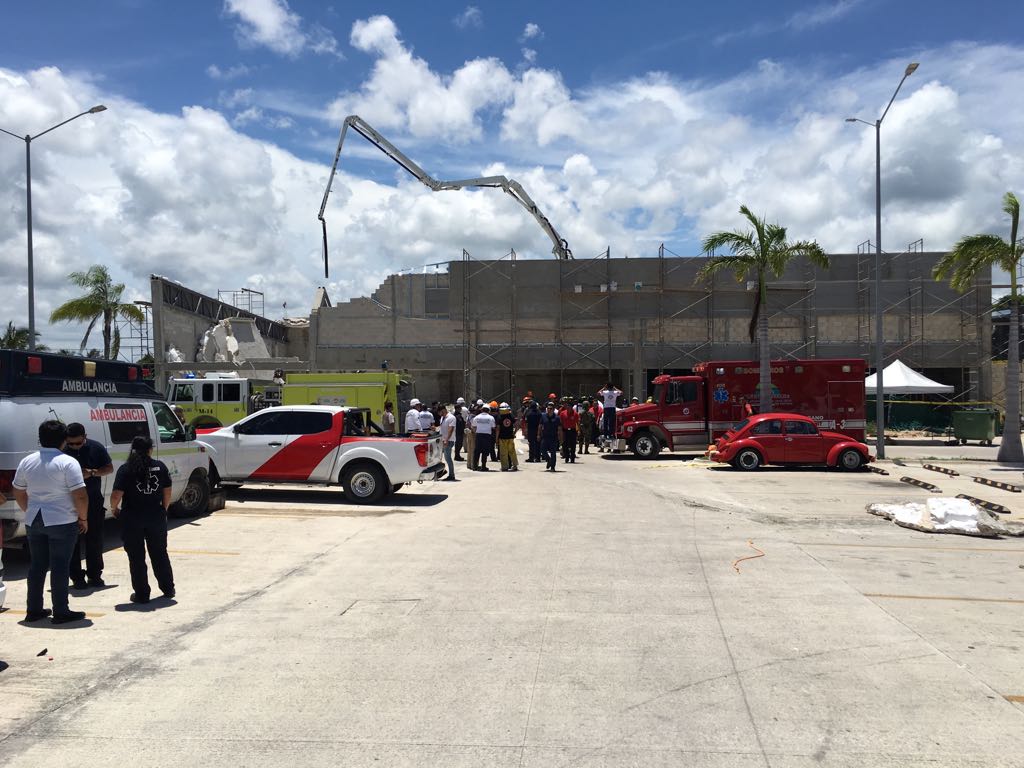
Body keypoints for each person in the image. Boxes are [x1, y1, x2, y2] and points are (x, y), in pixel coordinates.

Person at [12, 420, 89, 624]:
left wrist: (28, 509)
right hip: (62, 520)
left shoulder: (27, 461)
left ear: (40, 438)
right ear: (64, 440)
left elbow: (18, 490)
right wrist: (83, 518)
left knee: (37, 566)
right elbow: (80, 495)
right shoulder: (68, 462)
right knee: (60, 566)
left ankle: (34, 609)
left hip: (34, 519)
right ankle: (61, 611)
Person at [110, 436, 175, 604]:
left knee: (136, 557)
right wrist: (164, 509)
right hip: (155, 516)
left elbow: (117, 494)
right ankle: (168, 588)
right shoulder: (160, 467)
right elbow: (167, 491)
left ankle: (142, 593)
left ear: (133, 449)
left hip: (133, 518)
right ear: (150, 449)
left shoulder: (126, 469)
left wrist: (114, 508)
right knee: (160, 553)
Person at [64, 422, 114, 590]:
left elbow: (109, 468)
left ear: (85, 437)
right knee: (72, 542)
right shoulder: (63, 451)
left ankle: (95, 574)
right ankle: (77, 577)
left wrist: (92, 472)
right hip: (70, 503)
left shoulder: (96, 448)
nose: (74, 446)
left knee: (95, 540)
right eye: (70, 443)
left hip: (93, 501)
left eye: (78, 443)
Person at [597, 382, 622, 451]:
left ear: (607, 387)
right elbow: (621, 393)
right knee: (612, 422)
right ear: (612, 387)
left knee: (605, 421)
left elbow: (598, 393)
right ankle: (611, 433)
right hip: (612, 408)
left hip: (606, 408)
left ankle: (606, 433)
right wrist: (615, 388)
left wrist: (604, 388)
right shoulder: (615, 392)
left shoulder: (605, 392)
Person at [538, 402, 563, 471]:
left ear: (553, 409)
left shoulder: (557, 418)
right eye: (548, 408)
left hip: (553, 437)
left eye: (551, 409)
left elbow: (559, 429)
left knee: (553, 452)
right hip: (545, 437)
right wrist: (538, 435)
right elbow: (540, 426)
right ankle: (549, 460)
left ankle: (553, 467)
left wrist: (561, 438)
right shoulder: (543, 416)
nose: (549, 410)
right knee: (542, 450)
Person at [496, 403, 519, 472]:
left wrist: (496, 438)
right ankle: (515, 465)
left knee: (503, 453)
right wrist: (514, 433)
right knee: (512, 452)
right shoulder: (511, 416)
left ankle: (504, 467)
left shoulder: (499, 417)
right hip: (510, 437)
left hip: (502, 437)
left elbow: (498, 429)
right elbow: (517, 425)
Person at [473, 404, 496, 471]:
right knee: (485, 452)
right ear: (489, 410)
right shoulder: (491, 418)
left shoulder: (477, 417)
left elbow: (473, 426)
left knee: (477, 451)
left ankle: (475, 466)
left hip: (479, 435)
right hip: (487, 436)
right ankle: (483, 466)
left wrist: (476, 433)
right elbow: (493, 427)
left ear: (482, 410)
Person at [439, 405, 457, 481]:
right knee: (445, 458)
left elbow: (451, 429)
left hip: (448, 441)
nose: (440, 414)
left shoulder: (451, 418)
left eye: (440, 412)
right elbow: (442, 428)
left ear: (443, 410)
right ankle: (446, 472)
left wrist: (446, 439)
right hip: (443, 440)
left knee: (448, 458)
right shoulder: (443, 418)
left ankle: (451, 475)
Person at [464, 405, 478, 471]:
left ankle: (469, 464)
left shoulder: (468, 416)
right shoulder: (474, 417)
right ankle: (473, 464)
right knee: (473, 449)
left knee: (469, 449)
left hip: (468, 433)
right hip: (472, 433)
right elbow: (473, 426)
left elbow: (466, 424)